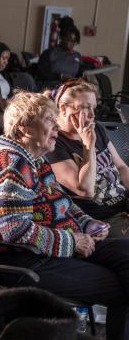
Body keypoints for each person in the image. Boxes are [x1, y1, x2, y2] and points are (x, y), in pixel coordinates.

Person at [0, 90, 129, 340]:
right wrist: (73, 242)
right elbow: (16, 229)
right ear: (25, 128)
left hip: (56, 250)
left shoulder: (35, 161)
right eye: (49, 120)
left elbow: (64, 203)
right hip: (28, 262)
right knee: (120, 286)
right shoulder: (12, 166)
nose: (57, 125)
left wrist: (87, 224)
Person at [48, 79, 129, 237]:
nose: (92, 115)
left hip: (124, 205)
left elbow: (121, 167)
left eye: (93, 107)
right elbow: (85, 191)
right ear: (64, 109)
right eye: (85, 107)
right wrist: (88, 146)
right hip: (103, 219)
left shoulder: (96, 127)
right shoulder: (53, 142)